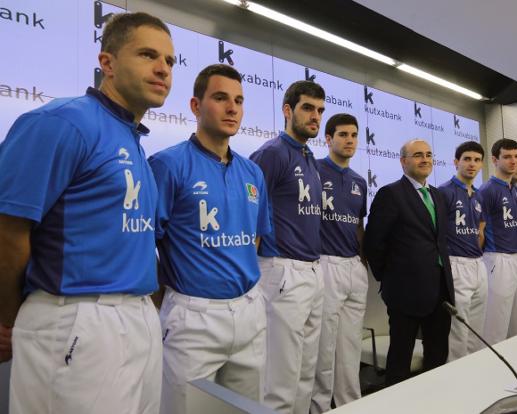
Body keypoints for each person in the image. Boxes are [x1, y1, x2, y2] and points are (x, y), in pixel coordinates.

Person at [0, 12, 174, 413]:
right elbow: (8, 231)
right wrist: (10, 316)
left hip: (138, 317)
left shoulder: (132, 140)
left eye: (169, 61)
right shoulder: (62, 122)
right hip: (76, 319)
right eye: (148, 55)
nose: (162, 68)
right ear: (107, 63)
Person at [148, 64, 271, 414]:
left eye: (239, 100)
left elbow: (256, 240)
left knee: (249, 409)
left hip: (249, 311)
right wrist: (169, 295)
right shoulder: (168, 165)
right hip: (193, 316)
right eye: (220, 98)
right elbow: (147, 242)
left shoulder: (252, 172)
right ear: (195, 106)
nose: (232, 108)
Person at [250, 80, 325, 414]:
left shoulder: (309, 157)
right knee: (280, 380)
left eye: (320, 110)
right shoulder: (271, 154)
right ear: (287, 110)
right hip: (281, 270)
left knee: (305, 372)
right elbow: (249, 214)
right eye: (308, 108)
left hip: (312, 270)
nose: (315, 116)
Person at [364, 139, 454, 386]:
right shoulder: (390, 194)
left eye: (428, 155)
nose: (425, 159)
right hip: (405, 292)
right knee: (400, 359)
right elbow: (374, 243)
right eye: (417, 155)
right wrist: (390, 278)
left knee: (438, 354)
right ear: (403, 161)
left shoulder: (437, 195)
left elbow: (439, 241)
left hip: (440, 290)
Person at [310, 114, 367, 413]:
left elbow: (358, 224)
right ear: (328, 138)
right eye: (343, 134)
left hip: (353, 267)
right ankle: (319, 408)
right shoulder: (314, 170)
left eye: (354, 135)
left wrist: (363, 260)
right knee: (323, 349)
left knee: (349, 349)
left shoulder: (359, 181)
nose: (350, 140)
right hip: (325, 264)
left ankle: (350, 406)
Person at [438, 141, 487, 361]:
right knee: (458, 330)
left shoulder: (478, 195)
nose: (472, 164)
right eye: (467, 159)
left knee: (476, 330)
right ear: (456, 162)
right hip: (455, 264)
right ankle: (455, 379)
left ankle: (474, 374)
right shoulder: (444, 192)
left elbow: (480, 230)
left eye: (477, 160)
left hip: (478, 264)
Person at [480, 139, 517, 345]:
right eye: (507, 156)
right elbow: (479, 231)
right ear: (494, 159)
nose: (514, 161)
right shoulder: (487, 190)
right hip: (499, 259)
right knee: (495, 326)